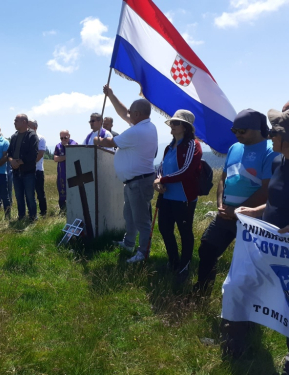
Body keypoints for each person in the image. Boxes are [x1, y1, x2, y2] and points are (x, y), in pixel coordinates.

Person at [194, 109, 277, 293]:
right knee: (207, 248)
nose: (237, 134)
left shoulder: (270, 151)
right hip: (226, 214)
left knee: (248, 262)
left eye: (242, 131)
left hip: (252, 218)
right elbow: (223, 178)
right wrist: (221, 205)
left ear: (256, 129)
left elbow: (266, 190)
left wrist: (237, 210)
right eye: (235, 131)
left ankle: (244, 307)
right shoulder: (234, 148)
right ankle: (202, 291)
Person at [232, 106, 289, 363]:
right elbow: (276, 201)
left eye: (276, 132)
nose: (271, 136)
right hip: (274, 247)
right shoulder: (280, 161)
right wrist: (255, 210)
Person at [94, 86, 158, 263]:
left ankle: (142, 253)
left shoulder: (137, 131)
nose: (128, 114)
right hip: (135, 182)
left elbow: (110, 141)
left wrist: (97, 140)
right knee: (130, 216)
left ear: (137, 114)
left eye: (131, 112)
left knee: (142, 221)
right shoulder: (147, 126)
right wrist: (112, 95)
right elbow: (124, 114)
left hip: (138, 183)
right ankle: (129, 244)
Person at [153, 110, 202, 281]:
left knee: (184, 231)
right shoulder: (169, 147)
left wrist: (162, 179)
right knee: (165, 229)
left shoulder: (193, 145)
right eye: (172, 123)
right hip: (167, 197)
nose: (172, 125)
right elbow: (161, 166)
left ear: (185, 127)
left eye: (175, 123)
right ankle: (174, 261)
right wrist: (158, 180)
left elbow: (187, 170)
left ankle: (185, 264)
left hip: (184, 198)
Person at [7, 114, 39, 221]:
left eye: (16, 120)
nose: (14, 122)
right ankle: (21, 216)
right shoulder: (14, 136)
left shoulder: (32, 136)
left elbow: (33, 154)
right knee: (19, 196)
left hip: (28, 172)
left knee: (30, 196)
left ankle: (33, 217)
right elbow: (9, 153)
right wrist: (11, 161)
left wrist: (20, 162)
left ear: (24, 122)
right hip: (16, 172)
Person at [53, 130, 77, 211]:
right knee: (61, 191)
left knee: (73, 192)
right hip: (61, 173)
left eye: (65, 138)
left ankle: (73, 209)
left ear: (69, 136)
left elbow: (74, 155)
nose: (63, 140)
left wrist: (67, 147)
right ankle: (62, 209)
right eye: (61, 138)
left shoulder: (74, 144)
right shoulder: (58, 146)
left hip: (72, 172)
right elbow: (55, 158)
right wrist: (66, 157)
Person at [28, 119, 47, 216]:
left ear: (35, 127)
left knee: (40, 193)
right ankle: (31, 212)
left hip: (38, 170)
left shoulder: (41, 138)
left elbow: (40, 154)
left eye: (29, 126)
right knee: (29, 193)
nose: (27, 128)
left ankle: (43, 212)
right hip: (28, 170)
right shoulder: (26, 138)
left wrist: (28, 163)